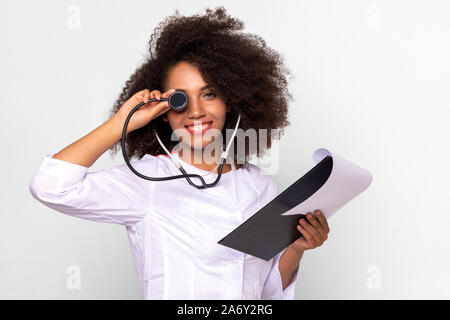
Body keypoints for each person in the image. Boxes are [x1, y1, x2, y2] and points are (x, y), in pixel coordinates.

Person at [29, 6, 329, 300]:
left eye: (209, 94)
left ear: (232, 98)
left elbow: (263, 291)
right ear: (163, 111)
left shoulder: (260, 184)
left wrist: (297, 248)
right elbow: (51, 186)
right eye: (180, 99)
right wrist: (121, 123)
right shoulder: (149, 181)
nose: (196, 111)